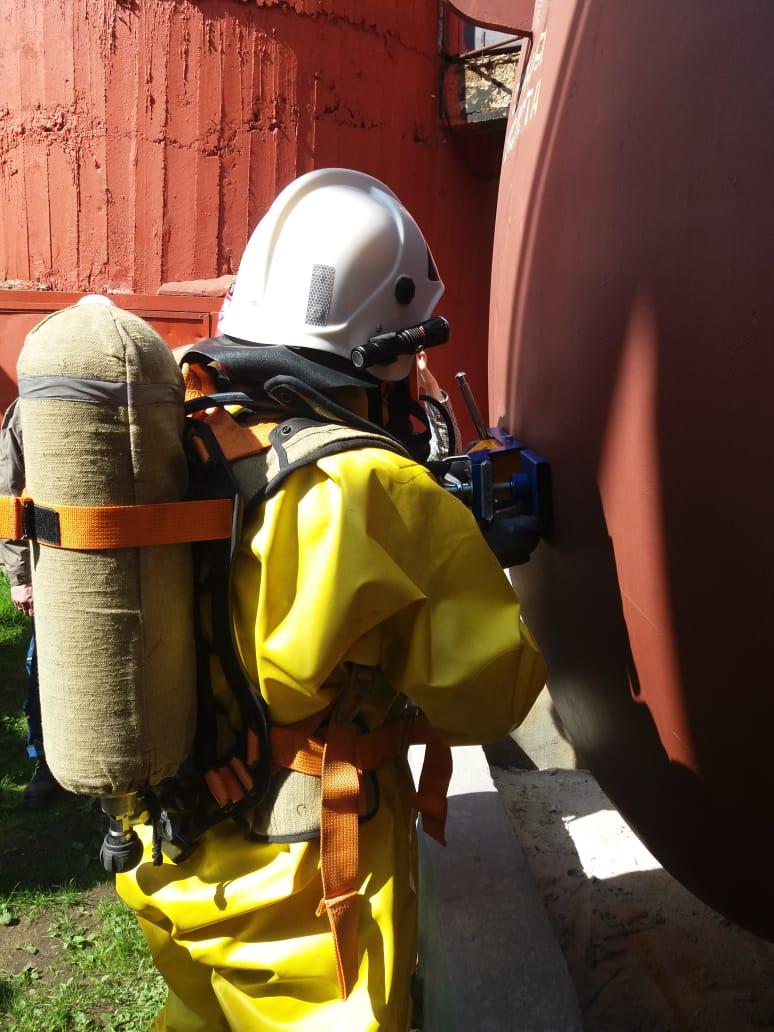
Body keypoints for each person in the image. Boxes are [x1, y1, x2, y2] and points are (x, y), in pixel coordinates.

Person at [116, 168, 547, 1031]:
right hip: (313, 893)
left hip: (175, 860)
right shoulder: (376, 487)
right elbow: (491, 699)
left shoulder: (191, 444)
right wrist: (476, 564)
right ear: (386, 347)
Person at [0, 398, 59, 807]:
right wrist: (20, 576)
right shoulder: (35, 401)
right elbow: (9, 491)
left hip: (122, 558)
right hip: (52, 563)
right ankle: (46, 762)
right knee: (45, 666)